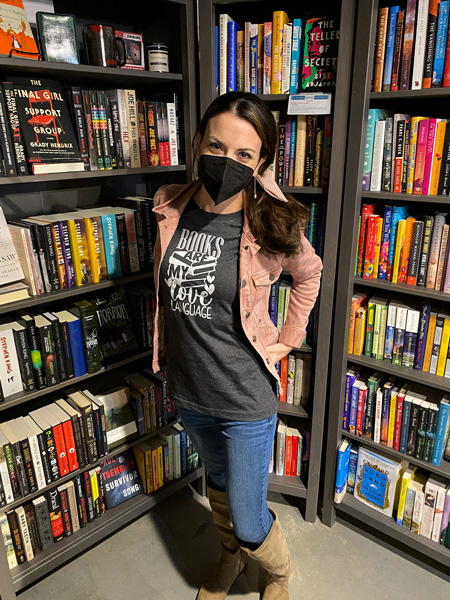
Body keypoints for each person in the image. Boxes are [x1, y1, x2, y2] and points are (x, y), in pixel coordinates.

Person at [151, 92, 323, 600]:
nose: (227, 161)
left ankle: (277, 573)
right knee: (219, 490)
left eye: (244, 155)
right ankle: (230, 561)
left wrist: (288, 339)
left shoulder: (272, 220)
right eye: (216, 145)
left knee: (250, 518)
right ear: (199, 142)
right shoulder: (169, 207)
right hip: (190, 391)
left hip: (245, 399)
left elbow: (309, 274)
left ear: (261, 162)